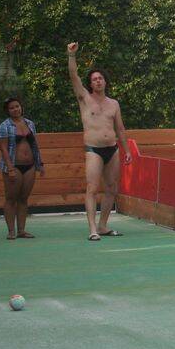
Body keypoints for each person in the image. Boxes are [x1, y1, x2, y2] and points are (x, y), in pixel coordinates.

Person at [67, 42, 132, 241]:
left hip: (112, 149)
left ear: (105, 81)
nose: (98, 81)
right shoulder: (84, 98)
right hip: (93, 150)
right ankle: (93, 229)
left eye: (100, 78)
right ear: (90, 83)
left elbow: (120, 128)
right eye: (94, 79)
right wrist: (71, 55)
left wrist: (127, 150)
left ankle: (103, 225)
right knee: (92, 188)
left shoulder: (114, 104)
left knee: (112, 188)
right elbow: (73, 76)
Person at [0, 97, 45, 240]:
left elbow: (34, 145)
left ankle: (21, 230)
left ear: (21, 107)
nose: (15, 109)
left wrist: (40, 164)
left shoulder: (30, 124)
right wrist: (10, 168)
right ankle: (11, 230)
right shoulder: (4, 126)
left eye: (17, 106)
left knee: (23, 198)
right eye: (11, 108)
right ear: (7, 111)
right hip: (14, 165)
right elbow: (3, 149)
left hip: (30, 165)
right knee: (11, 198)